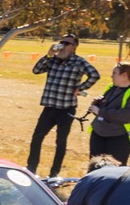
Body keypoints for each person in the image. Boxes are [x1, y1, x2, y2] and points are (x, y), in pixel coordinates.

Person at [27, 34, 101, 177]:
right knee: (37, 137)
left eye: (67, 43)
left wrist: (81, 88)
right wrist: (48, 55)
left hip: (66, 109)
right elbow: (36, 70)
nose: (62, 45)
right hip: (49, 107)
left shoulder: (78, 62)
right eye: (61, 42)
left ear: (73, 48)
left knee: (60, 142)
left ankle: (54, 173)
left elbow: (94, 75)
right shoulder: (53, 60)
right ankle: (31, 168)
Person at [87, 63, 130, 165]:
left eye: (114, 73)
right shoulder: (111, 87)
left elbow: (127, 115)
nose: (111, 76)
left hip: (119, 137)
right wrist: (96, 104)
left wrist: (100, 111)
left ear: (124, 75)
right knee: (95, 167)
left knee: (115, 170)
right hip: (99, 133)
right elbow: (105, 108)